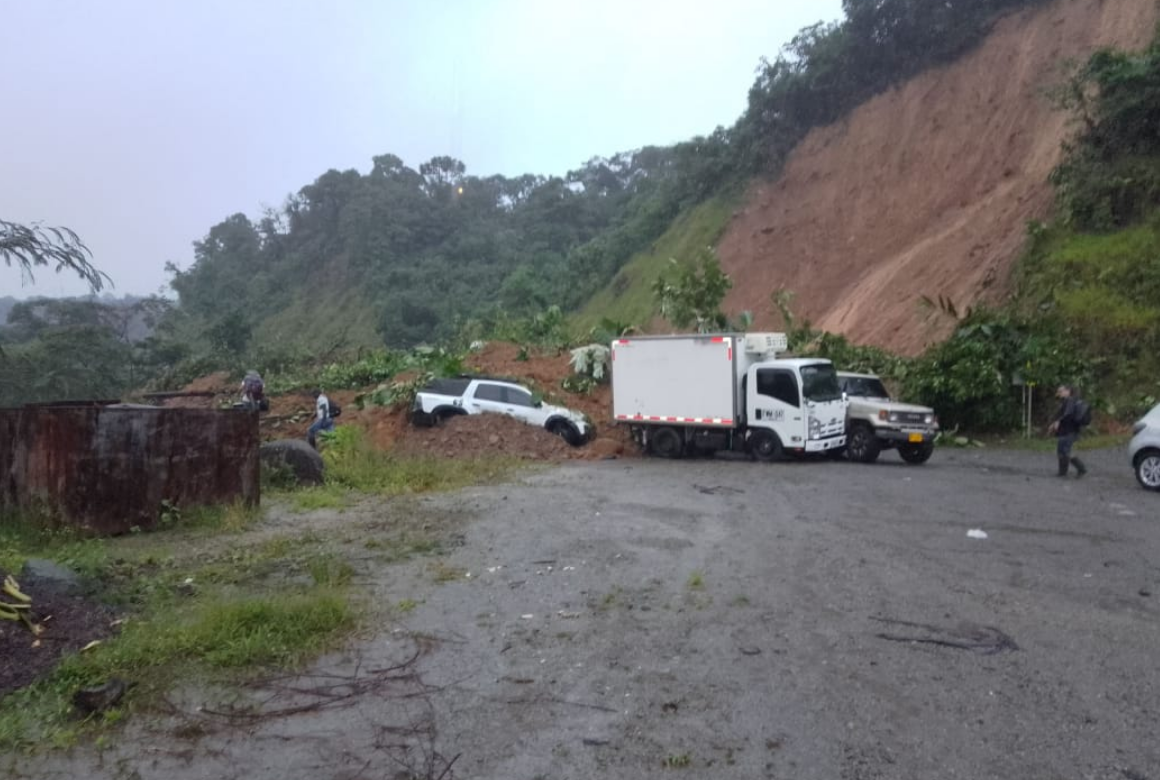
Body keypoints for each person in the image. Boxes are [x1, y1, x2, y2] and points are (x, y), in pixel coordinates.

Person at [1047, 384, 1087, 478]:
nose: (1059, 393)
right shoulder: (1066, 401)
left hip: (1070, 431)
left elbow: (1068, 414)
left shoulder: (1070, 401)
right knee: (1061, 450)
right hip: (1065, 431)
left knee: (1065, 451)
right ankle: (1062, 472)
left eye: (1061, 391)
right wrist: (1054, 423)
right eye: (1058, 392)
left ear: (1068, 391)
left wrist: (1058, 422)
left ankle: (1081, 469)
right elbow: (1061, 414)